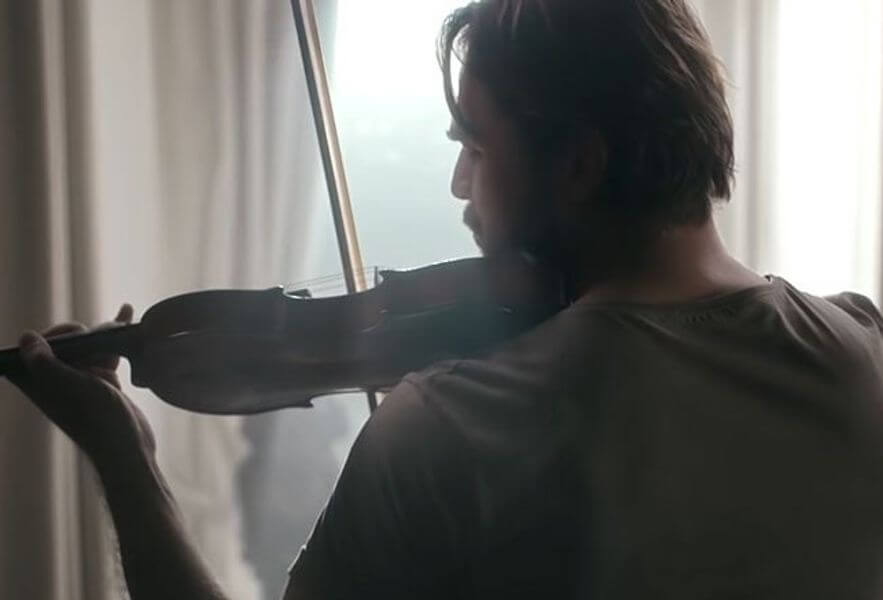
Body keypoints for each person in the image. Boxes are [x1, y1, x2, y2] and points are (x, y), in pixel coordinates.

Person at [10, 0, 883, 598]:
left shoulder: (453, 426)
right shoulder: (863, 347)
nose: (460, 184)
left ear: (579, 163)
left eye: (476, 147)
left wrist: (123, 454)